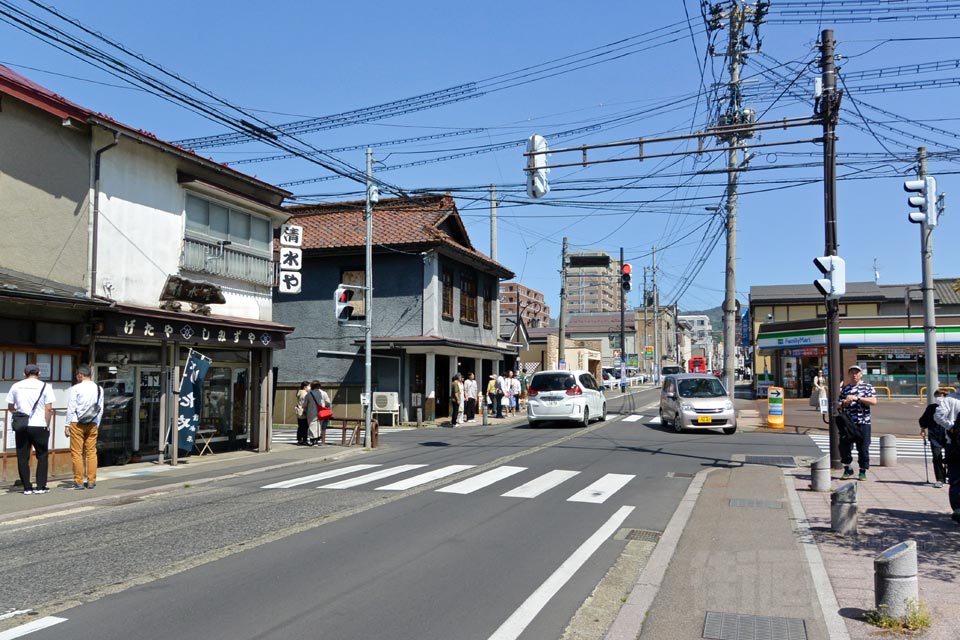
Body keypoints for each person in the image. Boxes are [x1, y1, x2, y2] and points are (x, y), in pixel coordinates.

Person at [6, 364, 56, 495]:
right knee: (42, 455)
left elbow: (10, 406)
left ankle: (27, 487)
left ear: (24, 374)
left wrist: (17, 414)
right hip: (39, 424)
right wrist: (47, 424)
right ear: (39, 373)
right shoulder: (46, 386)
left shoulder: (16, 386)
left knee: (22, 457)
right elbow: (48, 408)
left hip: (22, 425)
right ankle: (40, 486)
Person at [65, 365, 104, 490]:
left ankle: (79, 481)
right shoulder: (99, 389)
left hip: (77, 422)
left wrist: (67, 424)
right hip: (93, 422)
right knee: (91, 452)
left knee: (77, 453)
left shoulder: (76, 388)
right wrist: (97, 423)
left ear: (80, 375)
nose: (77, 378)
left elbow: (71, 407)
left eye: (77, 375)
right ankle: (91, 481)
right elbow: (100, 408)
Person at [838, 364, 878, 481]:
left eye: (857, 373)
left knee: (863, 448)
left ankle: (862, 470)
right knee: (844, 447)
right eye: (852, 373)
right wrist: (845, 402)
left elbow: (874, 401)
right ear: (849, 375)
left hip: (863, 422)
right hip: (848, 423)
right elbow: (839, 404)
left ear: (861, 374)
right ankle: (847, 468)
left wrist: (857, 398)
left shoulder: (867, 387)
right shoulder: (845, 388)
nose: (854, 375)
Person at [934, 393, 960, 524]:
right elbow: (938, 416)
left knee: (955, 479)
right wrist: (952, 428)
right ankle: (958, 510)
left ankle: (957, 510)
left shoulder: (949, 399)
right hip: (955, 445)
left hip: (953, 445)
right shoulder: (950, 399)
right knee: (956, 478)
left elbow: (938, 416)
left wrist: (951, 427)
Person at [919, 388, 949, 488]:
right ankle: (940, 479)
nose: (938, 398)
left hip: (949, 435)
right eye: (937, 396)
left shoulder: (951, 406)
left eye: (941, 396)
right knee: (937, 457)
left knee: (951, 457)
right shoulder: (931, 408)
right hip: (935, 435)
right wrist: (923, 428)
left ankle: (949, 476)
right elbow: (924, 419)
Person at [303, 380, 331, 446]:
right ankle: (318, 438)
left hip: (311, 411)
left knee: (312, 425)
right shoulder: (323, 393)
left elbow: (305, 404)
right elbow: (328, 402)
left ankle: (313, 439)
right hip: (321, 412)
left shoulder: (309, 393)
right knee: (319, 425)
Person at [295, 381, 310, 446]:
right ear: (305, 387)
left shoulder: (299, 392)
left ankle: (299, 439)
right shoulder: (305, 393)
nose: (310, 387)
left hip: (299, 411)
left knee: (300, 426)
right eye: (309, 386)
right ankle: (304, 440)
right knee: (305, 427)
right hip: (303, 411)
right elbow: (305, 403)